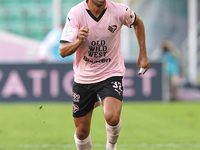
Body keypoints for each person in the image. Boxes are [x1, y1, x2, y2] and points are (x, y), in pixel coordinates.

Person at [59, 0, 150, 150]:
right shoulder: (76, 13)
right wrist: (78, 41)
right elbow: (63, 50)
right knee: (81, 131)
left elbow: (138, 22)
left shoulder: (120, 11)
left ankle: (111, 146)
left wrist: (143, 55)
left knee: (112, 116)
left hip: (111, 72)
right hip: (84, 77)